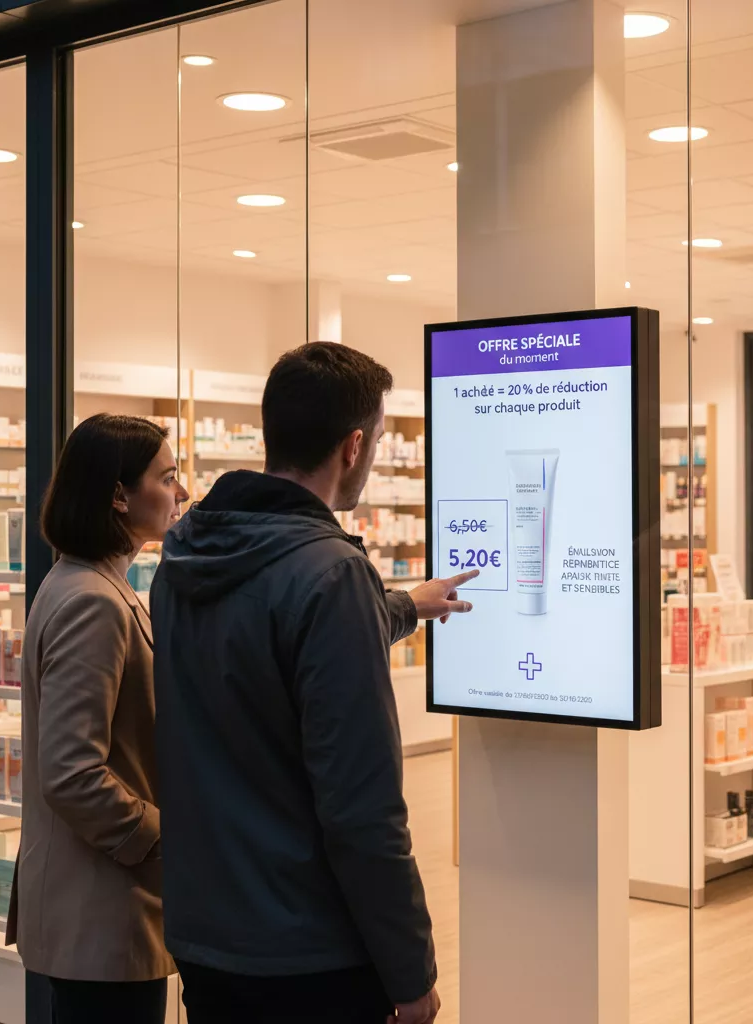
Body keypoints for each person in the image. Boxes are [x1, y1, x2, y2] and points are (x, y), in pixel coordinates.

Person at [151, 342, 476, 1024]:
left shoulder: (185, 556)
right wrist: (411, 971)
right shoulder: (333, 575)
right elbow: (362, 811)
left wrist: (401, 606)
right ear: (353, 447)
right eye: (378, 441)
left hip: (206, 935)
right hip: (306, 952)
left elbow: (264, 639)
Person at [7, 413, 189, 1024]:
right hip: (103, 914)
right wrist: (165, 836)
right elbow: (71, 772)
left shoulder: (89, 583)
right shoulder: (93, 601)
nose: (182, 491)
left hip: (100, 913)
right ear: (119, 495)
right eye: (167, 477)